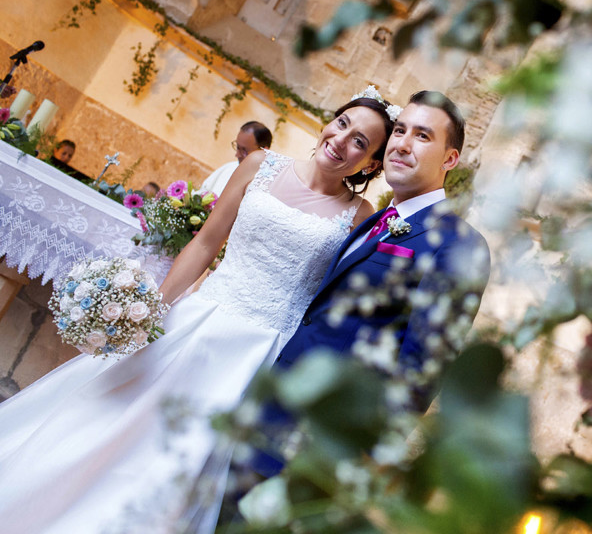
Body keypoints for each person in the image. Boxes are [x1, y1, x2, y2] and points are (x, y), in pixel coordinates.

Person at [0, 92, 395, 533]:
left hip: (261, 354)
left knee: (188, 463)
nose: (341, 141)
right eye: (341, 124)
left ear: (372, 165)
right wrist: (151, 312)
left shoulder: (360, 214)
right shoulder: (260, 165)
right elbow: (206, 244)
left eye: (360, 142)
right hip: (201, 321)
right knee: (117, 417)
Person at [253, 90, 491, 476]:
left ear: (450, 159)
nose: (402, 144)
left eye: (423, 136)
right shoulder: (373, 220)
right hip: (273, 406)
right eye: (400, 131)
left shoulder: (459, 244)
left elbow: (422, 367)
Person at [201, 121, 272, 195]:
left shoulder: (266, 185)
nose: (237, 155)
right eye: (238, 147)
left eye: (244, 151)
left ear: (264, 151)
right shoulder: (227, 169)